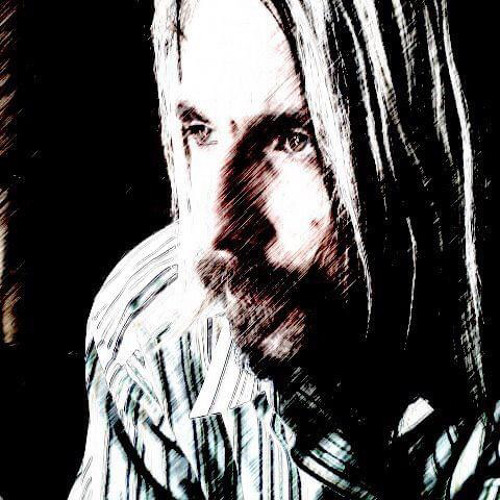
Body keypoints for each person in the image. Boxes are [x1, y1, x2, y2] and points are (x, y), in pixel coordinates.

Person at [70, 0, 499, 498]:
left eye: (294, 140)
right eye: (200, 132)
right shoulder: (152, 330)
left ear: (418, 144)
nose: (217, 229)